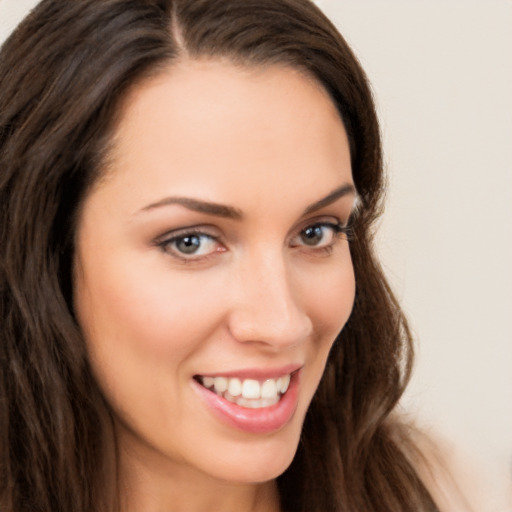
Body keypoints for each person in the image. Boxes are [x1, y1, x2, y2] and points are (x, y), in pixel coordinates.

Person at [0, 1, 474, 511]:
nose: (282, 323)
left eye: (315, 232)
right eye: (192, 242)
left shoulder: (450, 496)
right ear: (46, 255)